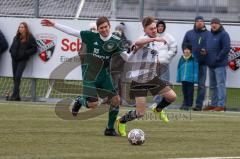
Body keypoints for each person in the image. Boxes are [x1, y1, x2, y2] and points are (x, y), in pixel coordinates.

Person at [41, 17, 132, 136]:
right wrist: (54, 24)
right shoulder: (91, 36)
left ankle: (109, 129)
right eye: (101, 28)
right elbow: (72, 31)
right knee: (93, 105)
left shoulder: (116, 40)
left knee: (116, 100)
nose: (104, 30)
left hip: (104, 74)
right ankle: (80, 100)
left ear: (109, 26)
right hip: (89, 74)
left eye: (106, 27)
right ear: (98, 29)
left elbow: (125, 57)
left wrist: (134, 52)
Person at [116, 16, 177, 137]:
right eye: (151, 29)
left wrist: (156, 61)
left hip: (151, 77)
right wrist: (155, 39)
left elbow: (150, 55)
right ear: (145, 30)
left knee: (172, 97)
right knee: (140, 113)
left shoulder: (154, 41)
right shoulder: (144, 39)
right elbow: (137, 43)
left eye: (155, 28)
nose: (154, 30)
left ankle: (158, 109)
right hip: (139, 80)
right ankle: (121, 121)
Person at [182, 16, 210, 111]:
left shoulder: (209, 34)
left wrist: (206, 50)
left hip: (203, 63)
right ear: (195, 22)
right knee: (188, 84)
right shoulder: (189, 33)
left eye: (201, 21)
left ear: (204, 23)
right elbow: (184, 44)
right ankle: (187, 104)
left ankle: (198, 105)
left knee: (201, 85)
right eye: (197, 21)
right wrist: (186, 50)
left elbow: (212, 47)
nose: (199, 22)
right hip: (190, 63)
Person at [204, 18, 230, 112]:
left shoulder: (224, 34)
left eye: (216, 23)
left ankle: (221, 105)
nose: (214, 25)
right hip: (211, 65)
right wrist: (205, 52)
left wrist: (217, 58)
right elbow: (208, 48)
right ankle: (213, 105)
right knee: (212, 86)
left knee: (220, 85)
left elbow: (226, 48)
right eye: (212, 24)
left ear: (219, 24)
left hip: (220, 65)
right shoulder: (209, 34)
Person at [9, 22, 38, 101]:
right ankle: (17, 96)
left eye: (22, 27)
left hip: (22, 60)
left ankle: (14, 95)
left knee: (18, 76)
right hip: (14, 59)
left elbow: (34, 48)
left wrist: (25, 54)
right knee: (15, 77)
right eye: (19, 27)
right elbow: (12, 47)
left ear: (26, 28)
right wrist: (11, 52)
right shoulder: (16, 37)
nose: (20, 29)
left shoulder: (30, 37)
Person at [153, 20, 177, 103]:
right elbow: (150, 49)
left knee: (164, 83)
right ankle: (156, 102)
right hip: (154, 64)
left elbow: (174, 49)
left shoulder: (168, 37)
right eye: (159, 26)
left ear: (164, 27)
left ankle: (163, 102)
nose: (160, 28)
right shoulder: (153, 37)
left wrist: (166, 58)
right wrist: (155, 60)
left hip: (164, 64)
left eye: (162, 26)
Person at [177, 43, 198, 110]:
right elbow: (179, 68)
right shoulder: (181, 58)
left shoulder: (193, 58)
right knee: (184, 92)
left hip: (190, 79)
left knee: (190, 92)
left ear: (191, 51)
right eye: (185, 49)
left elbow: (196, 69)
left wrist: (195, 78)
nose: (186, 51)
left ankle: (189, 104)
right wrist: (179, 77)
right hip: (183, 79)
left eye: (188, 49)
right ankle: (184, 103)